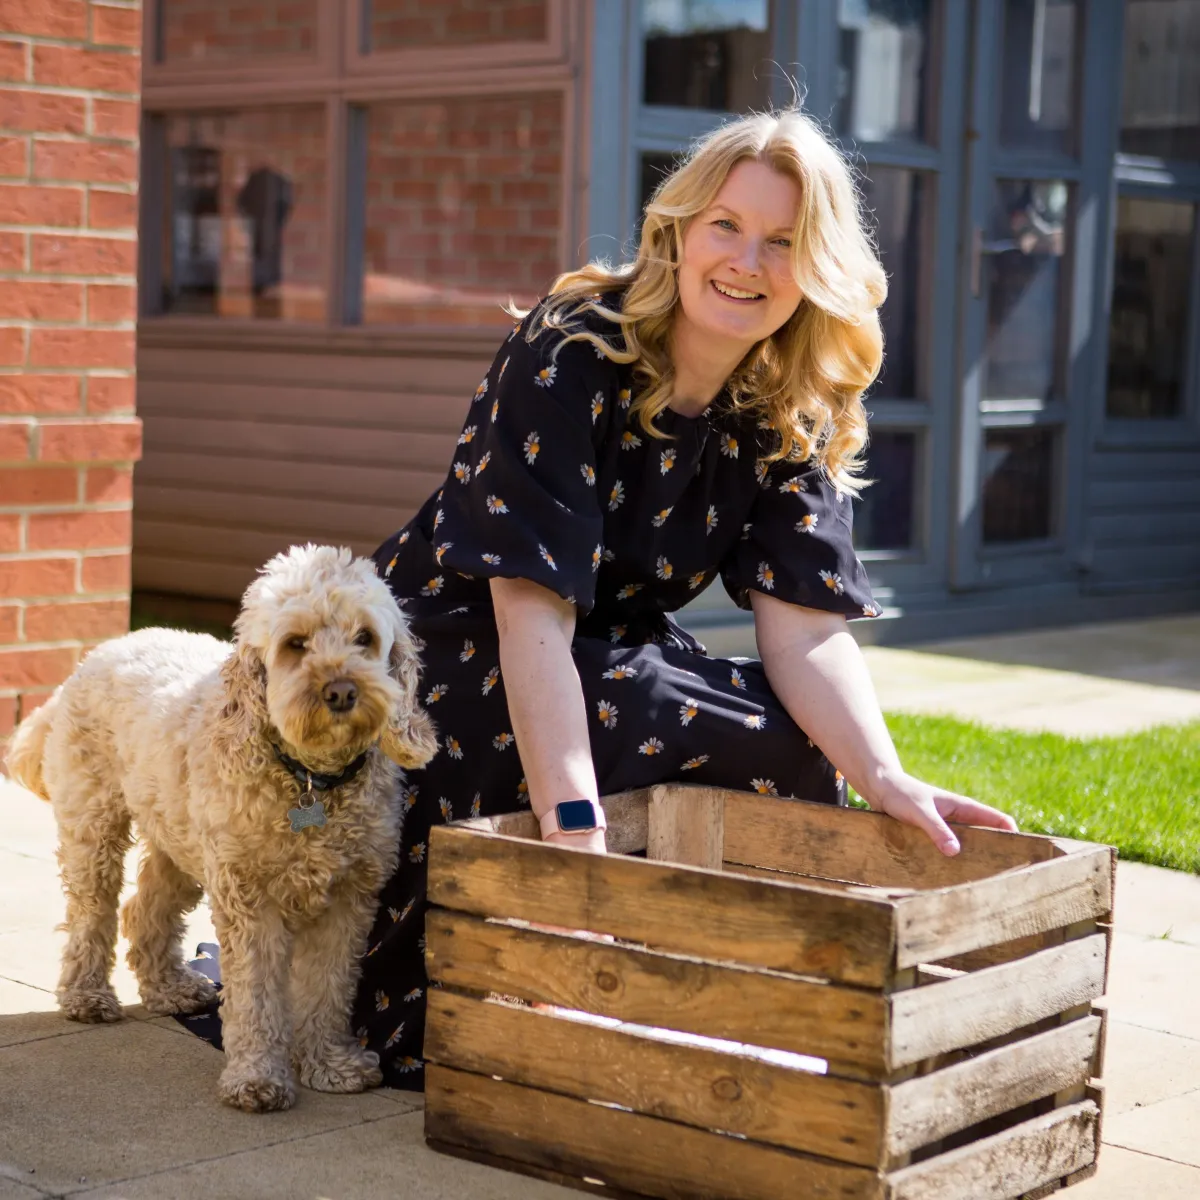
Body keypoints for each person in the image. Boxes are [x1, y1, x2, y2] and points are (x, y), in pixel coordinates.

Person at [353, 108, 1019, 1087]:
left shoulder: (786, 402)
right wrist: (571, 824)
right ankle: (528, 983)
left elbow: (807, 637)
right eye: (727, 226)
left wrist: (885, 778)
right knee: (637, 706)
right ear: (676, 229)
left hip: (608, 647)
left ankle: (733, 1000)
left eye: (785, 242)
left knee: (786, 736)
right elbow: (529, 610)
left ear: (819, 265)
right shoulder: (572, 344)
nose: (749, 260)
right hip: (452, 646)